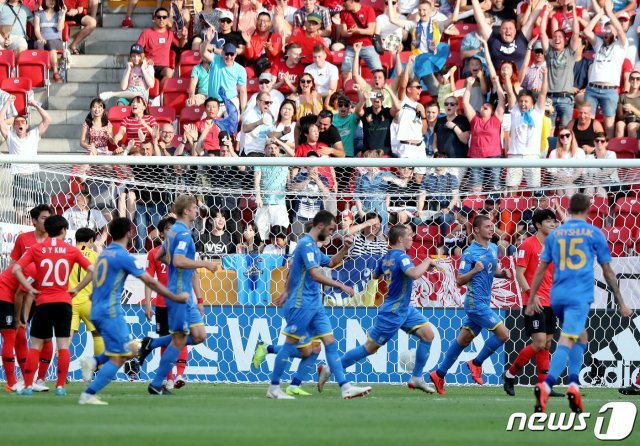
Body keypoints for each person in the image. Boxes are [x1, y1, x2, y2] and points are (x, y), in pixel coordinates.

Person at [527, 193, 632, 413]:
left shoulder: (556, 235)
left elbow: (540, 269)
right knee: (568, 338)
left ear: (568, 208)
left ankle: (574, 383)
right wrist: (621, 302)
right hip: (579, 295)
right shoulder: (594, 233)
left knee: (580, 335)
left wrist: (530, 298)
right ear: (588, 209)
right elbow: (608, 272)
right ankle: (547, 386)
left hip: (556, 296)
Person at [77, 218, 189, 405]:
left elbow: (97, 277)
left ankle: (94, 362)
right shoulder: (123, 256)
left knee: (129, 350)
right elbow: (150, 281)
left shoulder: (104, 254)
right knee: (120, 356)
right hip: (110, 311)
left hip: (97, 308)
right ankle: (88, 394)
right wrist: (175, 297)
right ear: (130, 233)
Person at [319, 224, 437, 393]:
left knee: (428, 335)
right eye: (409, 235)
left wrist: (393, 277)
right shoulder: (402, 257)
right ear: (400, 239)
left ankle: (416, 377)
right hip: (393, 311)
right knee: (369, 348)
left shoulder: (386, 257)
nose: (412, 238)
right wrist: (426, 261)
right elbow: (414, 274)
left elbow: (375, 275)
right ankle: (331, 368)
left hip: (404, 308)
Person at [268, 210, 372, 399]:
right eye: (331, 229)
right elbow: (316, 274)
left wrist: (346, 249)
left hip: (315, 304)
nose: (332, 233)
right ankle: (274, 387)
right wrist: (342, 286)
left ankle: (345, 387)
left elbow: (331, 262)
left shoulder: (314, 248)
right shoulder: (305, 245)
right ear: (321, 226)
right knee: (291, 345)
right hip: (301, 304)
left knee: (330, 343)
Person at [137, 195, 217, 395]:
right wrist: (204, 263)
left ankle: (152, 343)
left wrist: (175, 268)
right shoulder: (181, 234)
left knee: (198, 336)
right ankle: (156, 384)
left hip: (185, 292)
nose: (197, 211)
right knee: (179, 339)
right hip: (179, 293)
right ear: (187, 211)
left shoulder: (173, 232)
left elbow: (160, 256)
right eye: (194, 208)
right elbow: (180, 261)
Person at [429, 215, 513, 395]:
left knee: (464, 340)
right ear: (476, 230)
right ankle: (476, 363)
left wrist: (502, 274)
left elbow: (493, 270)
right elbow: (459, 280)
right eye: (487, 227)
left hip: (483, 301)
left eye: (492, 226)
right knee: (504, 334)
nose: (492, 229)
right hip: (475, 303)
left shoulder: (492, 247)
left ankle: (439, 374)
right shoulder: (469, 253)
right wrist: (475, 270)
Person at [13, 215, 94, 396]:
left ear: (47, 230)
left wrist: (30, 289)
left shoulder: (36, 248)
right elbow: (92, 270)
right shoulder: (71, 250)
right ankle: (60, 387)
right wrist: (77, 289)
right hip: (64, 302)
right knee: (63, 345)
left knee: (36, 345)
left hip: (43, 302)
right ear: (64, 230)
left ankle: (27, 385)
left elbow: (17, 268)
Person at [503, 210, 565, 398]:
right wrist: (531, 295)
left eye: (554, 221)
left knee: (546, 344)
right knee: (538, 343)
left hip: (551, 301)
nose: (552, 224)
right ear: (538, 225)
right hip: (533, 302)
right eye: (548, 221)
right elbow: (519, 274)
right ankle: (509, 374)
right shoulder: (528, 245)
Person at [144, 216, 192, 390]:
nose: (171, 232)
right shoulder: (154, 254)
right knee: (166, 339)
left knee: (183, 337)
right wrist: (148, 303)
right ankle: (169, 378)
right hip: (163, 304)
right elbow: (149, 279)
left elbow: (194, 276)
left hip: (181, 303)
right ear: (162, 233)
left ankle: (180, 374)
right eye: (167, 229)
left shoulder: (184, 251)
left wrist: (199, 300)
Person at [1, 97, 52, 223]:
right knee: (19, 212)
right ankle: (23, 233)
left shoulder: (34, 134)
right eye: (17, 122)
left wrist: (35, 104)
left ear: (27, 125)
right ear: (13, 127)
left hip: (34, 176)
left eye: (22, 122)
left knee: (43, 211)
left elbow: (48, 120)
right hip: (19, 178)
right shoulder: (10, 137)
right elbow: (0, 121)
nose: (20, 124)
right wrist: (8, 102)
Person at [582, 0, 628, 138]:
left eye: (610, 30)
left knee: (609, 126)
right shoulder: (599, 43)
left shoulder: (621, 45)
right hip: (592, 89)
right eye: (605, 30)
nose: (607, 32)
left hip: (609, 91)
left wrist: (610, 13)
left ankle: (608, 155)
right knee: (587, 124)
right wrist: (601, 12)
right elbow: (586, 31)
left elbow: (619, 30)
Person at [68, 228, 105, 367]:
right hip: (89, 301)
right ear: (91, 240)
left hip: (70, 300)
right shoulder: (95, 256)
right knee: (98, 334)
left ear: (76, 238)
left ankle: (62, 371)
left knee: (66, 338)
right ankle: (100, 369)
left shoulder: (68, 253)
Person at [541, 3, 579, 129]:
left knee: (565, 131)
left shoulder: (570, 52)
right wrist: (546, 13)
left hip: (566, 98)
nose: (557, 39)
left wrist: (573, 12)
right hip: (550, 98)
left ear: (565, 40)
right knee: (548, 130)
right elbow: (542, 33)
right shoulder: (549, 52)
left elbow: (575, 33)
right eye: (555, 36)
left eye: (560, 37)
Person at [0, 261, 36, 392]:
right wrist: (17, 318)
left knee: (20, 335)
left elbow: (30, 294)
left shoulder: (43, 267)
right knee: (9, 336)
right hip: (3, 295)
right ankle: (11, 382)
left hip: (14, 296)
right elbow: (20, 294)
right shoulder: (33, 269)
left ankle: (27, 380)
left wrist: (24, 319)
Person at [136, 7, 188, 82]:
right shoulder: (146, 33)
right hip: (148, 66)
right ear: (154, 18)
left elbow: (180, 45)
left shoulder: (170, 33)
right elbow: (137, 50)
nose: (161, 19)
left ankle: (159, 93)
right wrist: (145, 60)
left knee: (169, 72)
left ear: (167, 19)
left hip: (163, 69)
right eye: (159, 17)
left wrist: (184, 37)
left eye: (164, 17)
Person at [201, 34, 248, 114]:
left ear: (235, 55)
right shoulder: (215, 59)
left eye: (231, 54)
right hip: (213, 102)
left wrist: (243, 111)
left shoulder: (241, 69)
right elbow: (204, 53)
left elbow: (243, 91)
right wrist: (207, 40)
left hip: (231, 101)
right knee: (205, 125)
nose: (229, 57)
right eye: (226, 54)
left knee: (231, 124)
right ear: (222, 53)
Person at [254, 142, 290, 240]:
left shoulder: (284, 160)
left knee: (280, 235)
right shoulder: (260, 161)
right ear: (265, 150)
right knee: (261, 235)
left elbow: (293, 153)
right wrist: (258, 196)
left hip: (279, 203)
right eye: (270, 148)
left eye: (275, 148)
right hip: (264, 203)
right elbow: (256, 179)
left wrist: (279, 142)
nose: (273, 150)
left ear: (279, 149)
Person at [340, 0, 383, 80]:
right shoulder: (343, 13)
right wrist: (352, 32)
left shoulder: (368, 10)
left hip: (367, 45)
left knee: (378, 70)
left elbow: (371, 31)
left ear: (352, 1)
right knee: (346, 70)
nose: (343, 3)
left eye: (345, 1)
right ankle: (345, 91)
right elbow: (343, 33)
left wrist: (357, 30)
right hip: (351, 47)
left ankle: (380, 90)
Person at [547, 128, 586, 195]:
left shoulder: (580, 152)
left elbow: (580, 170)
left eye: (567, 135)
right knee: (560, 189)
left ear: (572, 136)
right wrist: (563, 178)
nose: (564, 137)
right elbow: (552, 172)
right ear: (559, 139)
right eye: (562, 136)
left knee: (569, 189)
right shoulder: (553, 153)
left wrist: (570, 179)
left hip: (575, 181)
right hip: (558, 181)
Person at [34, 0, 66, 82]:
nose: (52, 1)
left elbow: (59, 28)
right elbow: (37, 30)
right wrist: (40, 38)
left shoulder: (59, 13)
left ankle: (55, 71)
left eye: (54, 0)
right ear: (44, 1)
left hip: (56, 40)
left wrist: (63, 13)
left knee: (51, 43)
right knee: (38, 44)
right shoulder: (39, 14)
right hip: (43, 39)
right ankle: (41, 73)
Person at [304, 44, 339, 108]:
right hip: (312, 95)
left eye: (319, 56)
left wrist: (319, 95)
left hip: (328, 97)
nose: (317, 59)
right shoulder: (308, 69)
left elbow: (332, 90)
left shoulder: (333, 68)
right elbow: (306, 86)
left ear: (325, 56)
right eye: (314, 57)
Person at [241, 91, 275, 156]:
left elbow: (271, 134)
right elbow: (245, 128)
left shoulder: (268, 116)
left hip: (263, 152)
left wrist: (283, 132)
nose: (269, 105)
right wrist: (259, 122)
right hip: (249, 152)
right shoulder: (249, 113)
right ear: (258, 102)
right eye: (266, 102)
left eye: (270, 102)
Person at [616, 70, 640, 137]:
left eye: (638, 79)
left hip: (638, 122)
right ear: (629, 80)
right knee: (619, 124)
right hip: (626, 121)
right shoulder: (622, 96)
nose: (635, 80)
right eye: (632, 78)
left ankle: (632, 147)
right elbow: (620, 117)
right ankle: (618, 147)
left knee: (631, 125)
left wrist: (632, 109)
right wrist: (627, 113)